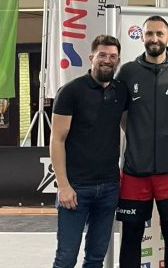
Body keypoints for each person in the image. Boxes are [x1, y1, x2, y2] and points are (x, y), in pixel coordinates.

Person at [116, 16, 168, 268]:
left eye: (159, 33)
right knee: (131, 236)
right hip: (134, 170)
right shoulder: (127, 72)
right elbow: (123, 116)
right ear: (142, 36)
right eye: (149, 33)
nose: (154, 38)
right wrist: (137, 136)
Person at [50, 35, 129, 268]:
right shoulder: (71, 91)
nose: (107, 60)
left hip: (109, 187)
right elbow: (57, 140)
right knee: (66, 258)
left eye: (113, 56)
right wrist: (63, 186)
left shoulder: (121, 91)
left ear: (118, 60)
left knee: (95, 258)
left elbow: (128, 125)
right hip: (76, 188)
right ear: (91, 57)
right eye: (102, 55)